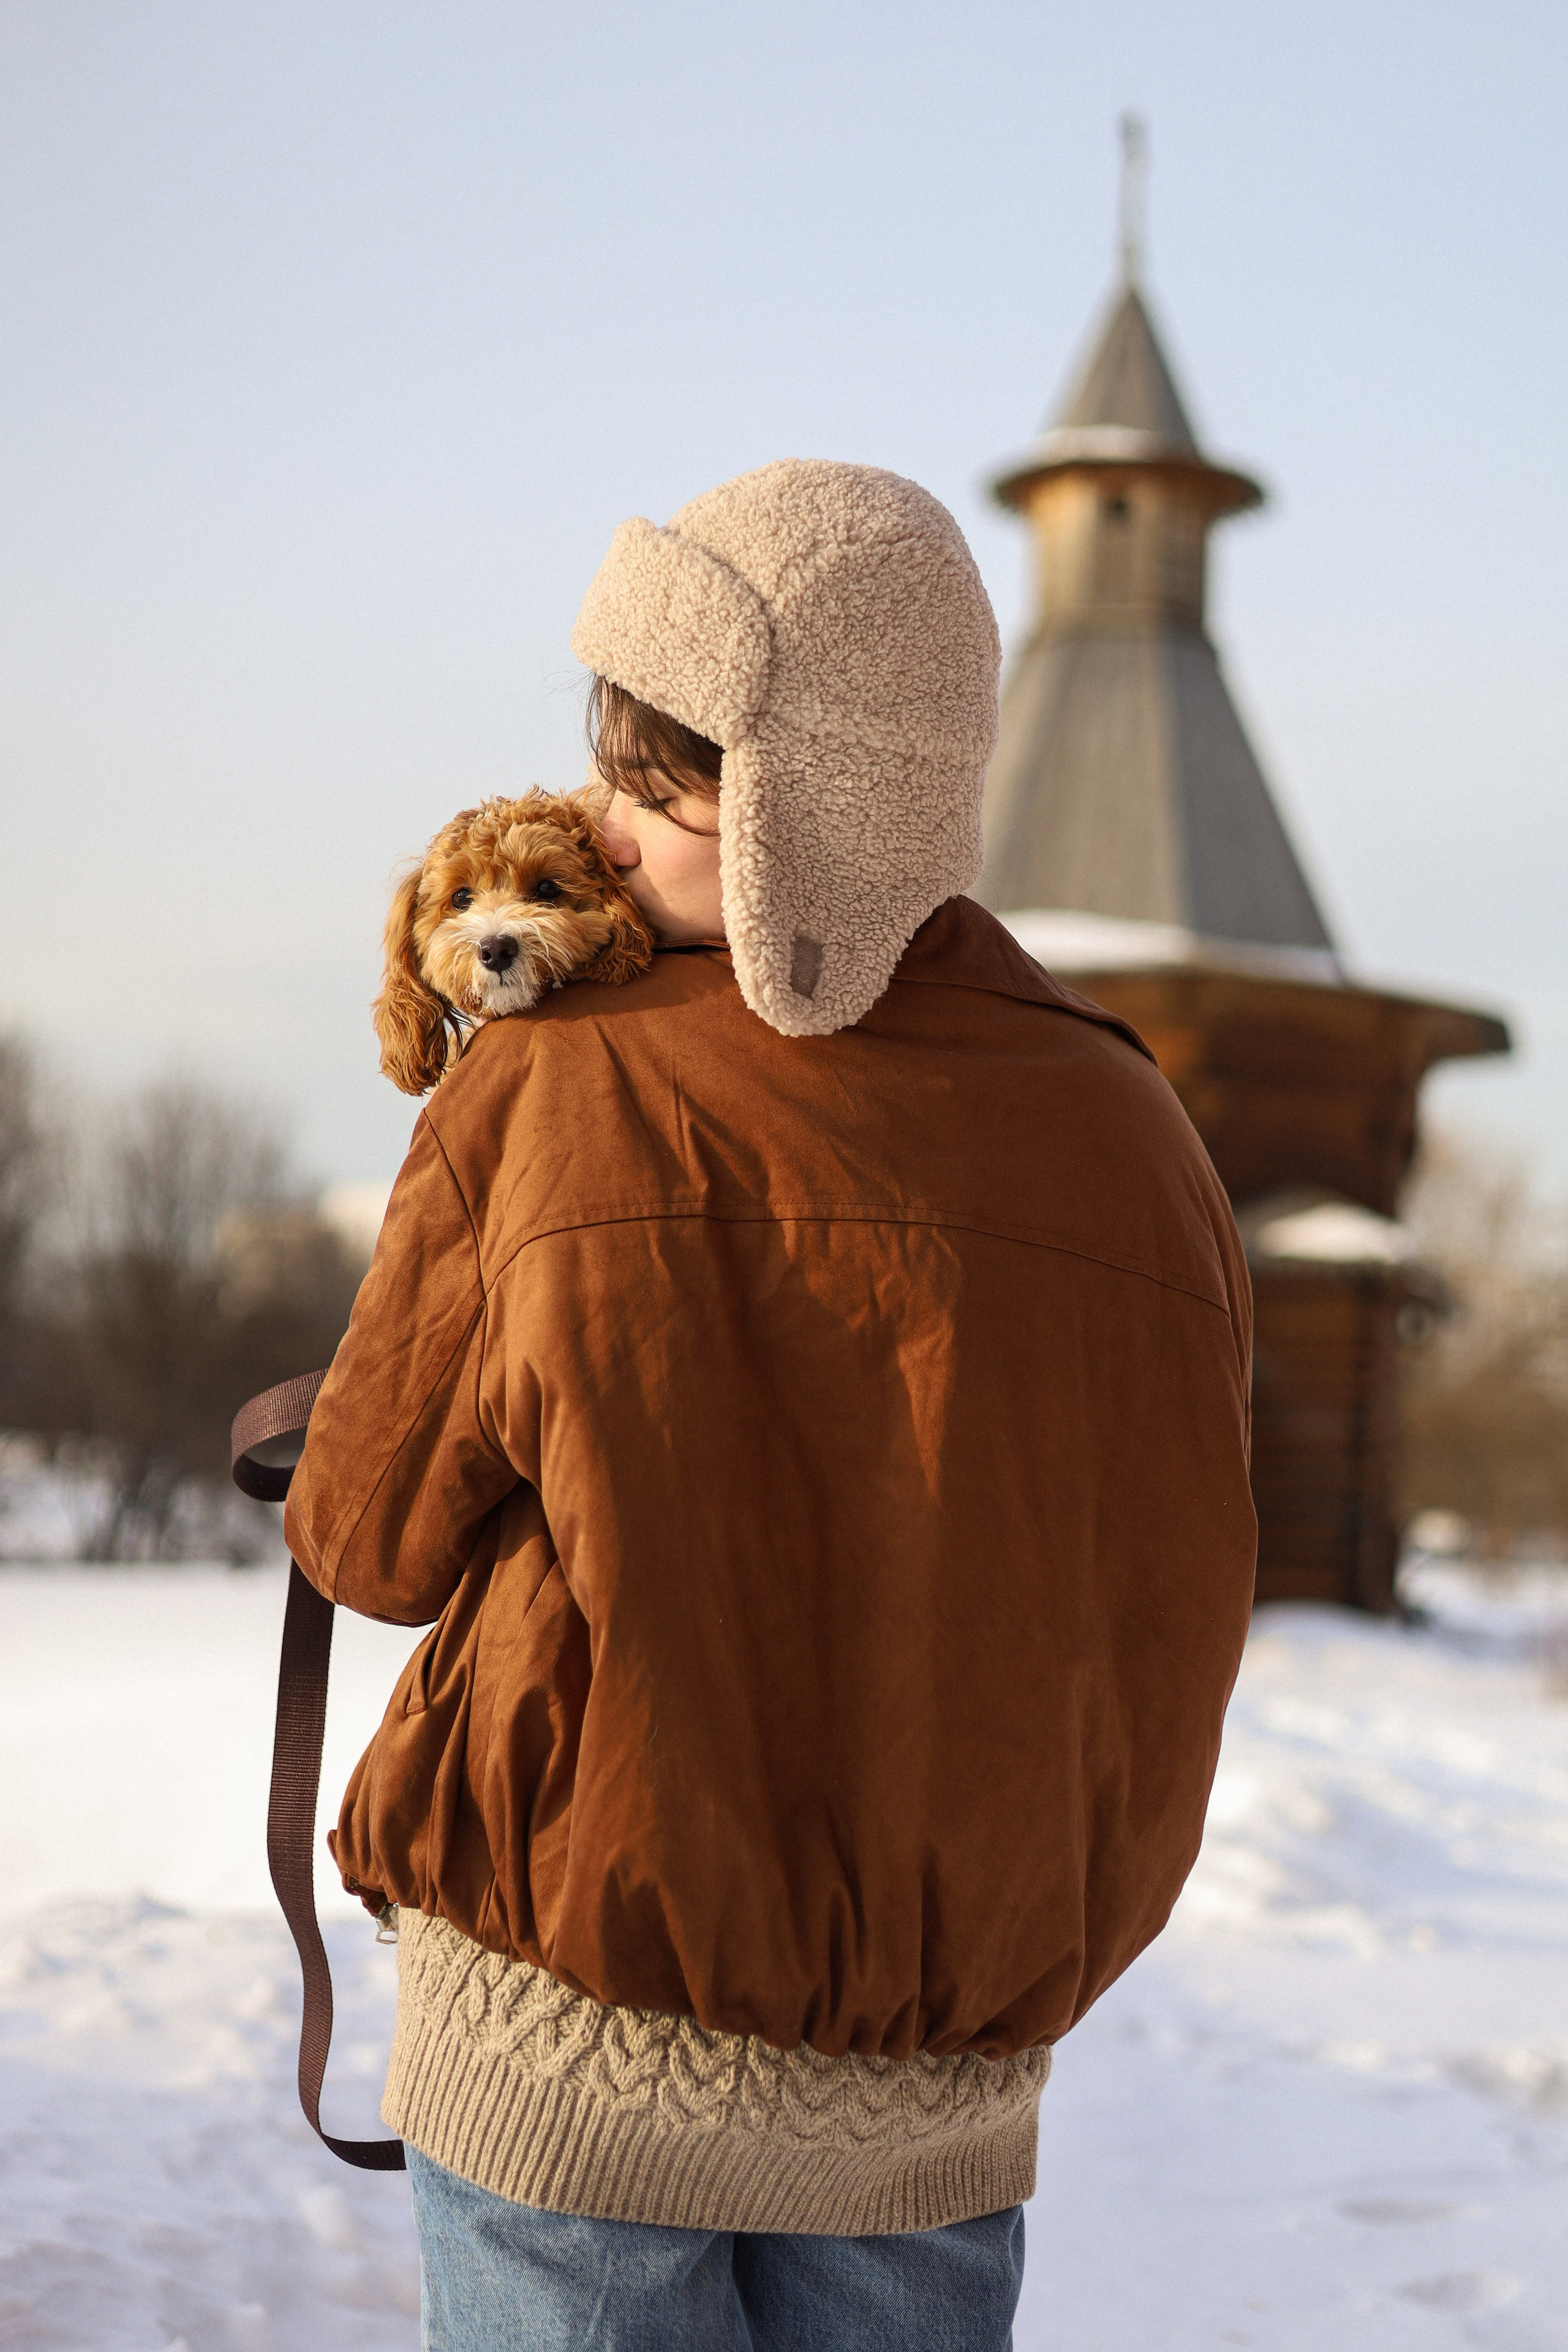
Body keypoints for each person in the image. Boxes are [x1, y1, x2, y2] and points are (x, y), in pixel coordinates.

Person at [284, 459, 1256, 2351]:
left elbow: (363, 1537)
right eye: (615, 772)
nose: (611, 830)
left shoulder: (560, 1081)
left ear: (825, 794)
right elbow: (1169, 1597)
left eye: (667, 784)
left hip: (578, 2039)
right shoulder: (1141, 1132)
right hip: (940, 2077)